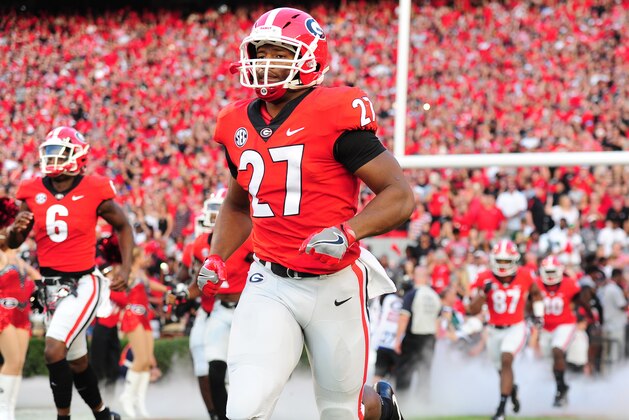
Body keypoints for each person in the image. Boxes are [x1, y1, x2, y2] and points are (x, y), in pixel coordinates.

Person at [195, 7, 414, 420]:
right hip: (269, 280)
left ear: (310, 57)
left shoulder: (335, 110)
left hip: (334, 283)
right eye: (258, 51)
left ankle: (381, 407)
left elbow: (398, 194)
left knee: (340, 410)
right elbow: (237, 204)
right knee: (243, 407)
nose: (263, 62)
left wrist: (349, 232)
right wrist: (217, 254)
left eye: (277, 52)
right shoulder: (234, 123)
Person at [7, 126, 133, 420]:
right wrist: (16, 231)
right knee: (77, 361)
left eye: (58, 153)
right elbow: (13, 242)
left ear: (77, 156)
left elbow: (124, 225)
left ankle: (62, 416)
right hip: (50, 288)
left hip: (84, 283)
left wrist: (125, 268)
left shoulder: (94, 188)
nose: (51, 160)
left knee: (53, 350)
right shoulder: (32, 189)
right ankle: (103, 414)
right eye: (48, 153)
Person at [167, 189, 253, 420]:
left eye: (220, 211)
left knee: (248, 371)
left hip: (247, 311)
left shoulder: (249, 237)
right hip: (218, 310)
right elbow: (198, 282)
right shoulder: (198, 245)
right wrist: (184, 294)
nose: (216, 218)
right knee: (214, 370)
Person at [468, 239, 544, 420]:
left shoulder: (525, 275)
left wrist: (538, 315)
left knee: (506, 359)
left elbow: (536, 294)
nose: (502, 265)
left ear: (514, 261)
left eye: (505, 261)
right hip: (494, 329)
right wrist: (482, 293)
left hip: (516, 327)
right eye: (499, 261)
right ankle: (512, 390)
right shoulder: (484, 276)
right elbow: (472, 310)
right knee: (501, 369)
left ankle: (501, 410)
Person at [118, 246, 169, 418]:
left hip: (144, 315)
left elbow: (150, 284)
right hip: (133, 314)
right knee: (140, 359)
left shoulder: (140, 274)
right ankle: (127, 396)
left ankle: (139, 401)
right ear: (136, 258)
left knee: (147, 361)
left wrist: (167, 290)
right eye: (143, 256)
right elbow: (119, 286)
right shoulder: (128, 273)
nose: (146, 257)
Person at [0, 197, 39, 420]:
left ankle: (9, 408)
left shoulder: (16, 257)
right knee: (12, 360)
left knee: (18, 364)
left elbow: (38, 277)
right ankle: (3, 411)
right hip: (3, 312)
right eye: (6, 228)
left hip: (23, 313)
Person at [535, 255, 587, 407]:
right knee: (551, 360)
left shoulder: (569, 283)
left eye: (553, 272)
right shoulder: (537, 283)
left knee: (557, 350)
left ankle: (560, 390)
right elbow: (529, 301)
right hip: (546, 327)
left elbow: (580, 300)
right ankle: (562, 386)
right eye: (548, 272)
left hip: (565, 324)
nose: (550, 276)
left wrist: (589, 317)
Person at [393, 266, 441, 392]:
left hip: (413, 337)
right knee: (425, 372)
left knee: (405, 370)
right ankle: (423, 402)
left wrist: (398, 339)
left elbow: (404, 318)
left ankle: (402, 400)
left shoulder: (412, 294)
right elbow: (438, 321)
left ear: (416, 277)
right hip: (430, 338)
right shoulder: (435, 296)